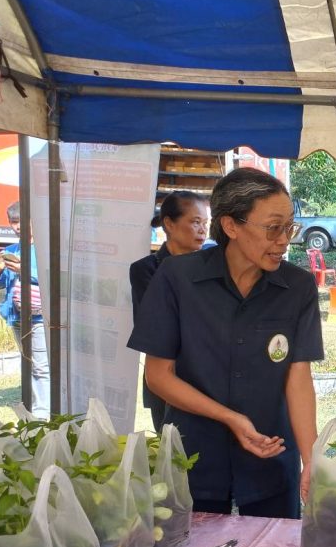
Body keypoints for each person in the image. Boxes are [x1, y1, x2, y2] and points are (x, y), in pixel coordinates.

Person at [127, 167, 323, 519]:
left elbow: (298, 378)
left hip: (271, 452)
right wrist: (230, 418)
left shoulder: (298, 287)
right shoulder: (177, 278)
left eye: (289, 228)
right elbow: (158, 376)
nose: (284, 240)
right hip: (195, 455)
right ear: (231, 226)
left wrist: (312, 459)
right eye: (273, 228)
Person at [129, 191, 209, 432]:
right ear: (169, 224)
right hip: (166, 375)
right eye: (195, 222)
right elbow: (155, 325)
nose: (203, 230)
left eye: (206, 223)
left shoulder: (213, 266)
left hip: (208, 373)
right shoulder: (145, 269)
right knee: (170, 447)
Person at [0, 202, 49, 418]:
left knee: (41, 367)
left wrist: (25, 270)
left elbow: (51, 278)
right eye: (12, 222)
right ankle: (35, 406)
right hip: (16, 316)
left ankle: (42, 414)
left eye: (20, 222)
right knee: (28, 363)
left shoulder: (45, 249)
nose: (16, 227)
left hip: (39, 317)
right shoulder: (10, 250)